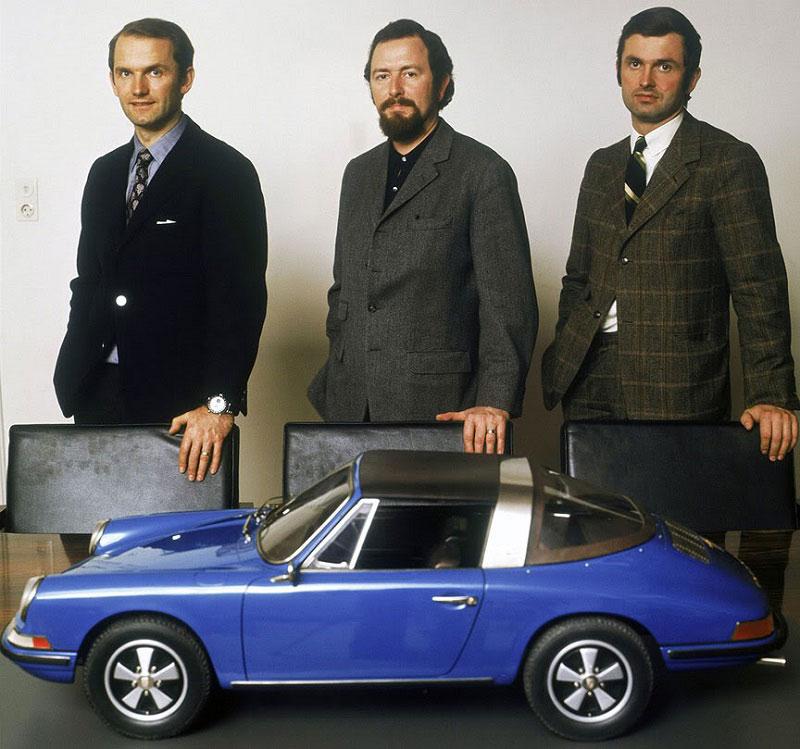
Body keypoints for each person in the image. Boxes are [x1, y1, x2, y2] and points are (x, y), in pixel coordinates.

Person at [542, 6, 798, 461]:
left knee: (675, 505)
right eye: (634, 63)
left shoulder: (727, 161)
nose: (646, 80)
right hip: (589, 374)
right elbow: (578, 276)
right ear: (619, 71)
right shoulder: (602, 165)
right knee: (593, 505)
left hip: (678, 381)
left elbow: (759, 288)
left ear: (692, 78)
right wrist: (568, 344)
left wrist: (772, 395)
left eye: (664, 66)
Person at [308, 19, 537, 454]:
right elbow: (346, 288)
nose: (394, 89)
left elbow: (509, 305)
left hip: (443, 408)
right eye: (381, 76)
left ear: (443, 83)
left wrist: (494, 401)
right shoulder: (357, 174)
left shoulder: (483, 171)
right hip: (348, 402)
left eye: (409, 74)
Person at [53, 18, 267, 481]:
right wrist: (75, 371)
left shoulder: (226, 172)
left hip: (183, 409)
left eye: (155, 71)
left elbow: (240, 301)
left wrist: (219, 405)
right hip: (96, 393)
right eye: (125, 73)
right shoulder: (104, 173)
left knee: (179, 527)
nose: (139, 88)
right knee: (96, 526)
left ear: (185, 78)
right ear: (112, 80)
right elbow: (89, 282)